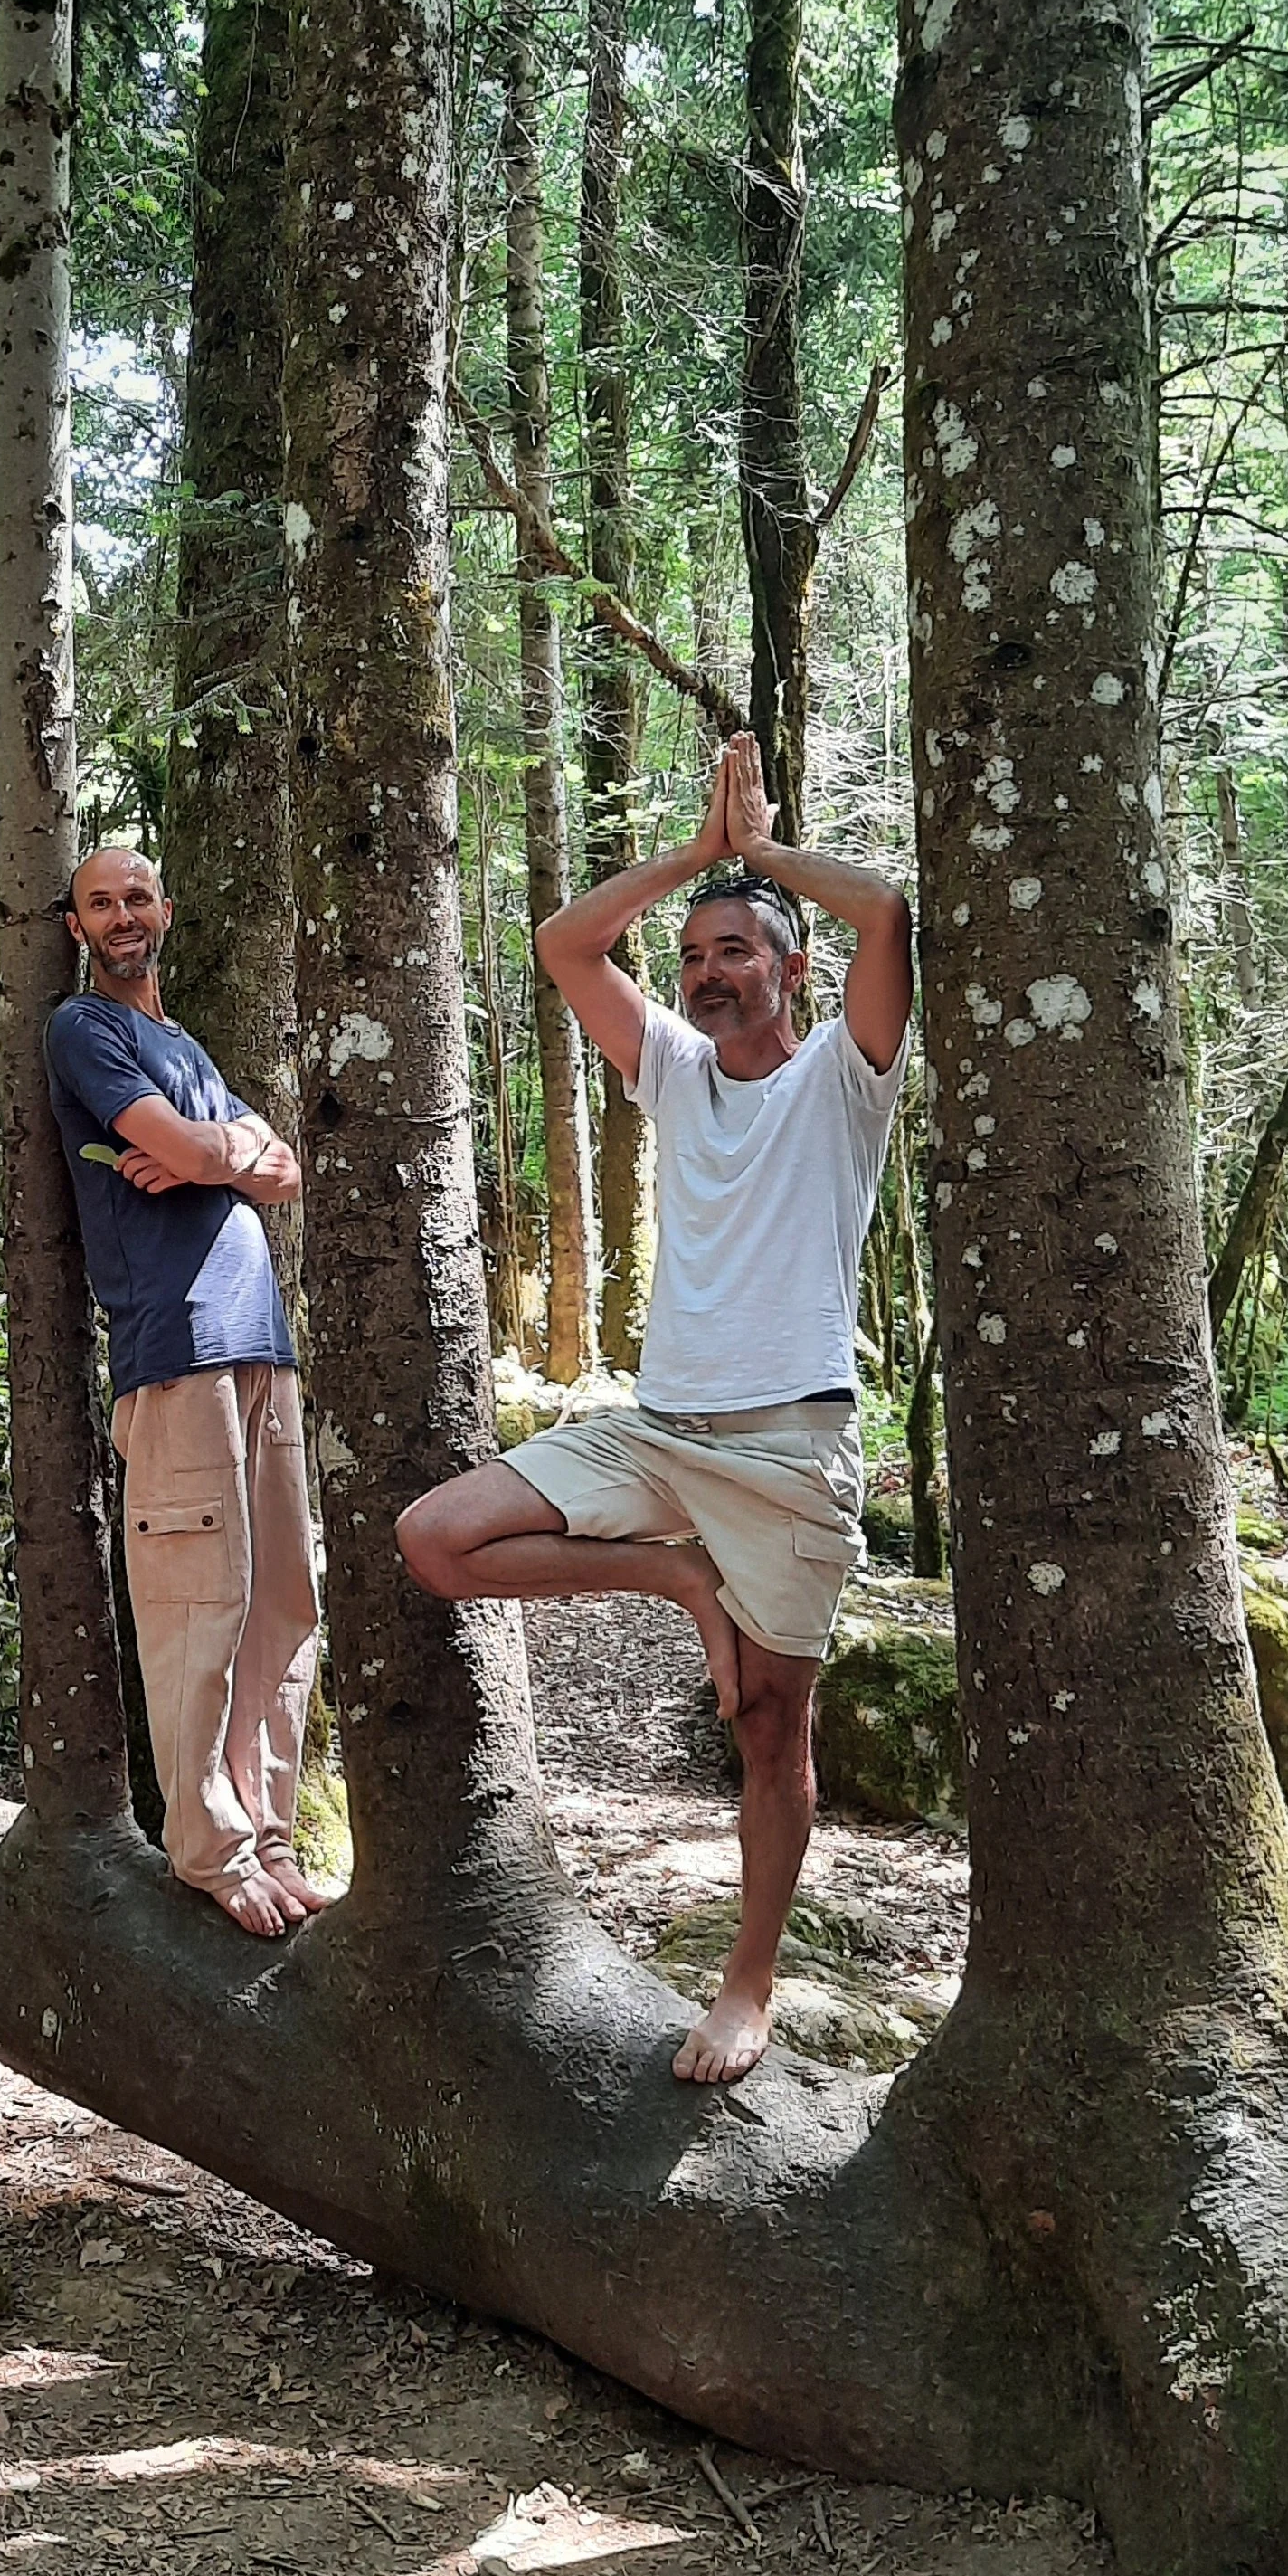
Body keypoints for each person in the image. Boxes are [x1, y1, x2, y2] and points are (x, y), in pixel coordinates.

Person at [396, 732, 914, 2087]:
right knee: (436, 1539)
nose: (706, 975)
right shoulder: (673, 1068)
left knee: (768, 1729)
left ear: (792, 969)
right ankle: (679, 1581)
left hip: (792, 1447)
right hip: (653, 1432)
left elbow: (888, 915)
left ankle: (748, 1984)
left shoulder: (845, 1076)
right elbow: (568, 947)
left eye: (734, 950)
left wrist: (765, 853)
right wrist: (697, 858)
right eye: (692, 959)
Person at [45, 843, 325, 1941]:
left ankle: (271, 1828)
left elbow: (286, 1165)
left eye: (138, 896)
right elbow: (177, 1146)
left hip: (263, 1346)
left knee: (282, 1600)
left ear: (168, 907)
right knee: (198, 1600)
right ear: (77, 927)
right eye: (100, 902)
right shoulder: (88, 1030)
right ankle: (209, 1848)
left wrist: (221, 1156)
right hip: (175, 1349)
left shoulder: (185, 1043)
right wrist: (219, 1153)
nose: (122, 915)